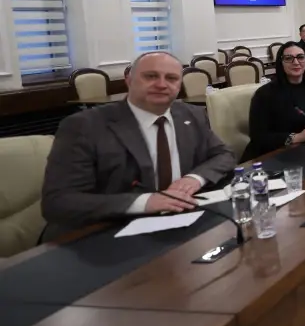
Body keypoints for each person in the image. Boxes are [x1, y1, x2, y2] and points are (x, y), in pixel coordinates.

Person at [39, 52, 236, 239]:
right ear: (129, 80)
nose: (161, 84)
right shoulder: (84, 126)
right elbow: (58, 202)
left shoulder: (191, 114)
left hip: (181, 221)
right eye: (150, 76)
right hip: (106, 231)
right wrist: (144, 202)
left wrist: (194, 178)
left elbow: (223, 155)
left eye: (171, 78)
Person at [245, 41, 305, 160]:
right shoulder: (265, 94)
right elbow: (258, 137)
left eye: (300, 57)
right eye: (289, 58)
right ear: (281, 63)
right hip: (278, 155)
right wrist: (296, 137)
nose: (296, 62)